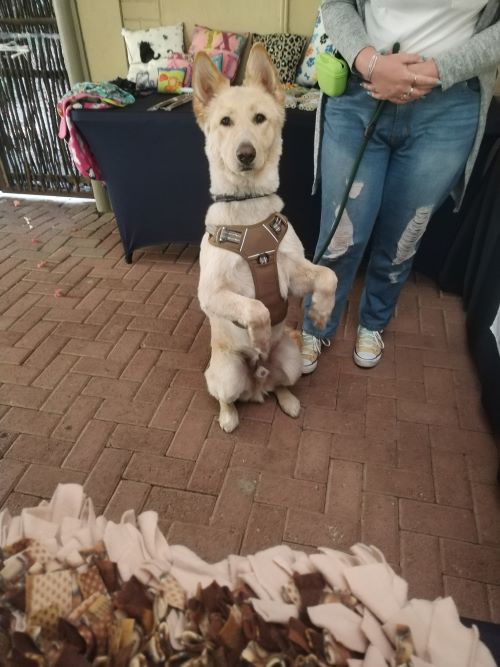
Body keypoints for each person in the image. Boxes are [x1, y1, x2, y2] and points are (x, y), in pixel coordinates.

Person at [301, 0, 500, 373]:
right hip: (361, 93)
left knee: (404, 236)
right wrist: (371, 63)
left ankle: (374, 321)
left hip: (449, 104)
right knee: (341, 234)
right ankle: (317, 322)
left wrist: (440, 69)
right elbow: (335, 2)